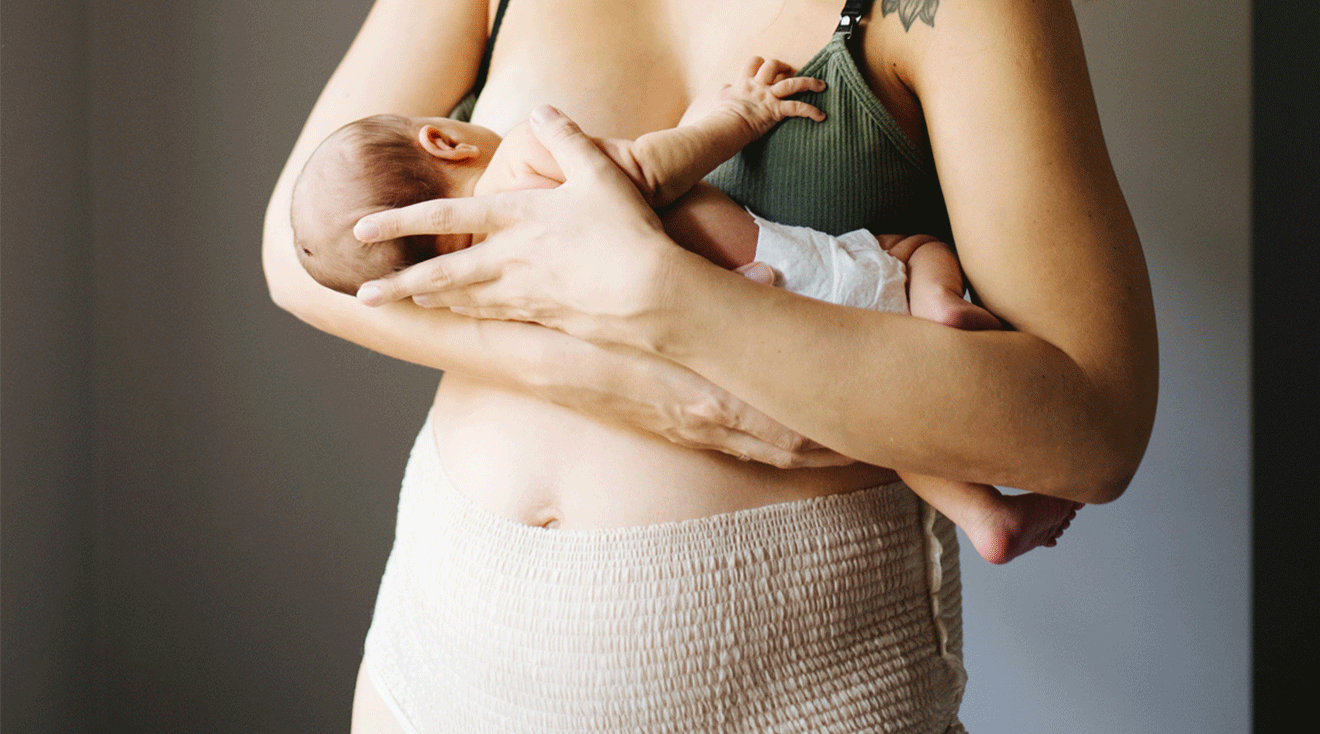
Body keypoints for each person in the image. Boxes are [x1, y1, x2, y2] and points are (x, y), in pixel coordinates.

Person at [263, 1, 1158, 732]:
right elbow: (295, 256)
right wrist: (634, 383)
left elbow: (1092, 430)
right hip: (434, 666)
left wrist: (663, 298)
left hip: (798, 697)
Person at [291, 58, 1079, 565]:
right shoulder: (527, 156)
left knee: (872, 427)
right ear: (444, 140)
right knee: (911, 252)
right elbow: (646, 169)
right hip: (802, 284)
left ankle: (982, 516)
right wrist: (733, 118)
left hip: (758, 338)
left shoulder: (483, 288)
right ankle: (941, 312)